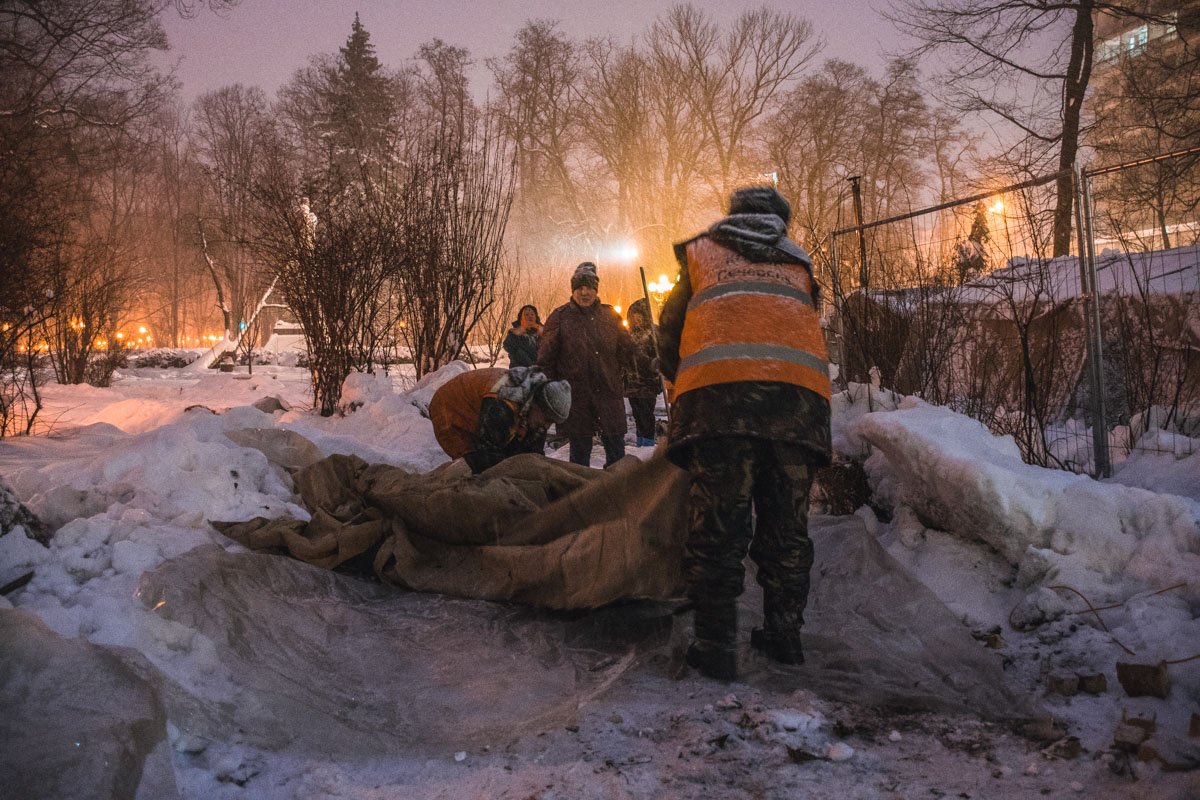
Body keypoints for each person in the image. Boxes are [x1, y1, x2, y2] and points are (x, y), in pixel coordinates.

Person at [656, 186, 832, 681]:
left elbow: (669, 333)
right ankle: (785, 637)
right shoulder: (800, 264)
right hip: (797, 409)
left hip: (720, 407)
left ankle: (715, 645)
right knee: (787, 529)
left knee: (718, 526)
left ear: (732, 218)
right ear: (780, 222)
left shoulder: (703, 255)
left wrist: (685, 383)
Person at [537, 262, 633, 468]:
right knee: (580, 454)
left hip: (608, 393)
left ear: (596, 290)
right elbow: (546, 359)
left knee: (616, 450)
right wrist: (552, 390)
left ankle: (617, 494)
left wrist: (649, 362)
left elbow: (628, 349)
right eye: (579, 288)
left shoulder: (609, 315)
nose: (584, 292)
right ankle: (581, 494)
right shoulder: (560, 318)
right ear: (573, 291)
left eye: (589, 287)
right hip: (577, 396)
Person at [429, 366, 571, 474]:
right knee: (478, 465)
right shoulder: (503, 402)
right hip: (450, 408)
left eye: (552, 422)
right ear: (537, 405)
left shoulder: (535, 404)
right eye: (547, 419)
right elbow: (488, 450)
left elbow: (533, 454)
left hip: (485, 406)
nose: (546, 425)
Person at [623, 298, 661, 447]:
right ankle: (641, 441)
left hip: (647, 382)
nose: (636, 319)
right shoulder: (628, 334)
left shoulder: (652, 332)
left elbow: (660, 355)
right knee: (638, 415)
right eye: (633, 316)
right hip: (632, 383)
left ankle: (648, 442)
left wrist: (653, 366)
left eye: (638, 315)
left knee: (646, 415)